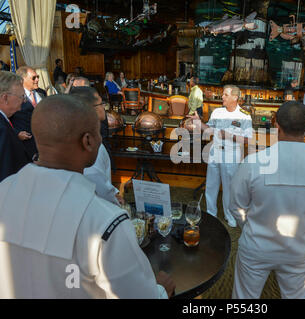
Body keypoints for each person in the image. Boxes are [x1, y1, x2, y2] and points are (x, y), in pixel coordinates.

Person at [0, 94, 175, 298]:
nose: (101, 138)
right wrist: (162, 290)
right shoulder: (105, 222)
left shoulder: (4, 190)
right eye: (98, 132)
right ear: (88, 141)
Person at [229, 101, 305, 299]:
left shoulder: (253, 163)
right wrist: (304, 225)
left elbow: (236, 206)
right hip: (298, 247)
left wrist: (252, 226)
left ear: (276, 125)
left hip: (256, 246)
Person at [187, 85, 252, 227]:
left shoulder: (244, 116)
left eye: (226, 95)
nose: (222, 97)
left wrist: (229, 135)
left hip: (232, 155)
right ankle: (211, 214)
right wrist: (198, 122)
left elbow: (248, 140)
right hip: (215, 152)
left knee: (229, 188)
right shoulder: (217, 112)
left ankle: (230, 216)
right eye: (223, 94)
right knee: (211, 185)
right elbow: (209, 130)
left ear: (235, 97)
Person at [69, 86, 121, 206]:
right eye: (101, 103)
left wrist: (114, 192)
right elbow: (95, 179)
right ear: (91, 109)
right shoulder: (89, 142)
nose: (103, 107)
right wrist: (114, 202)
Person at [0, 71, 30, 182]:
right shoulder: (1, 129)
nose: (24, 100)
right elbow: (5, 175)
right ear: (5, 98)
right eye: (22, 96)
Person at [10, 66, 42, 160]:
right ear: (23, 79)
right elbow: (4, 119)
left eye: (38, 76)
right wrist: (16, 134)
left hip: (42, 144)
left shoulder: (41, 93)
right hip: (25, 146)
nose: (37, 80)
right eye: (33, 77)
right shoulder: (14, 96)